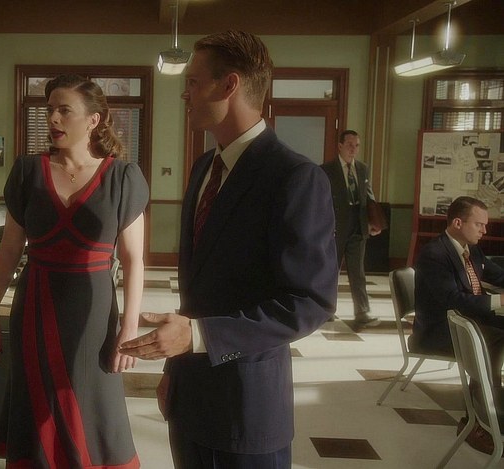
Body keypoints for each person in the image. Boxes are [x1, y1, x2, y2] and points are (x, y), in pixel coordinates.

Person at [120, 31, 337, 468]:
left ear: (229, 85)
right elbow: (197, 293)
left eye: (194, 82)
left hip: (247, 408)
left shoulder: (294, 177)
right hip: (191, 400)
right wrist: (174, 371)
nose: (185, 93)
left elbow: (310, 302)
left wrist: (200, 336)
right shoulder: (205, 167)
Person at [0, 74, 148, 468]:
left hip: (94, 312)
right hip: (36, 305)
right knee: (37, 400)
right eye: (50, 110)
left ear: (93, 120)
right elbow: (9, 250)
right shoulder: (27, 172)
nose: (53, 118)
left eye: (64, 110)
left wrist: (129, 327)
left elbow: (133, 260)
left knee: (91, 400)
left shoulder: (122, 178)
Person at [411, 196, 504, 454]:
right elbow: (453, 300)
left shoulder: (471, 249)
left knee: (496, 334)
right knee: (492, 340)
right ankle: (477, 420)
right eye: (479, 224)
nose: (484, 231)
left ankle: (492, 401)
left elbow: (498, 275)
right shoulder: (434, 254)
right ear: (458, 223)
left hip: (466, 322)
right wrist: (499, 300)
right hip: (438, 331)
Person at [320, 130, 381, 327]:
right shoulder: (327, 170)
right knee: (331, 270)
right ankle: (327, 310)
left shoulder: (362, 169)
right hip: (335, 228)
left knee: (358, 272)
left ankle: (362, 312)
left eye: (356, 145)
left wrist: (374, 222)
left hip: (358, 226)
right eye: (349, 145)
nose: (353, 149)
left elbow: (368, 195)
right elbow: (321, 200)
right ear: (340, 146)